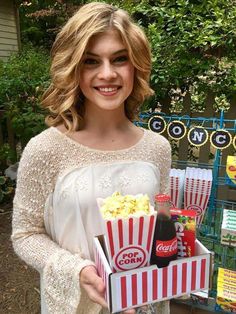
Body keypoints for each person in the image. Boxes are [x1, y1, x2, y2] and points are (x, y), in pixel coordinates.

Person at [11, 2, 171, 314]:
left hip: (143, 303)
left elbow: (159, 224)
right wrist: (78, 271)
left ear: (135, 65)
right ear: (73, 68)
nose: (108, 74)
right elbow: (25, 234)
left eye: (120, 59)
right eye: (91, 61)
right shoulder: (45, 149)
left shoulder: (157, 148)